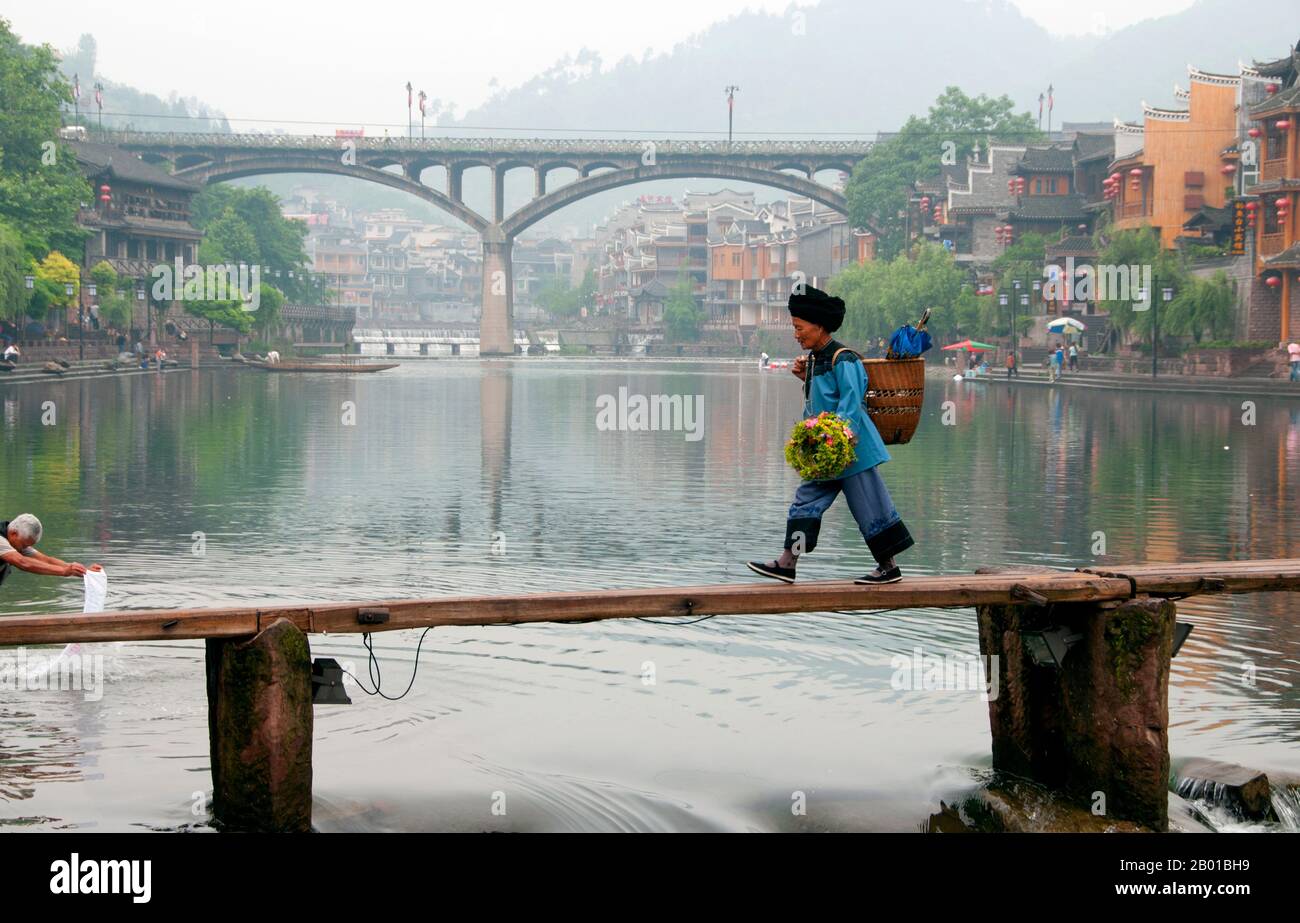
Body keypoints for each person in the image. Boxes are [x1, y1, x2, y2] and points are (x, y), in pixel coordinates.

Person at [746, 285, 914, 585]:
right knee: (804, 504)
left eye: (800, 328)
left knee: (870, 507)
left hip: (851, 450)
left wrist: (840, 438)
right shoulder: (813, 360)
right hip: (826, 453)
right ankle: (787, 562)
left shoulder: (844, 359)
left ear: (819, 326)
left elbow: (852, 403)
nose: (796, 334)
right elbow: (820, 400)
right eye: (794, 328)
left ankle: (889, 567)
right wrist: (804, 378)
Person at [0, 514, 101, 587]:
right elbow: (23, 562)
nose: (23, 549)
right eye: (23, 545)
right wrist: (64, 571)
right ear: (13, 534)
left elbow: (46, 560)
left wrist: (85, 572)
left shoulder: (16, 542)